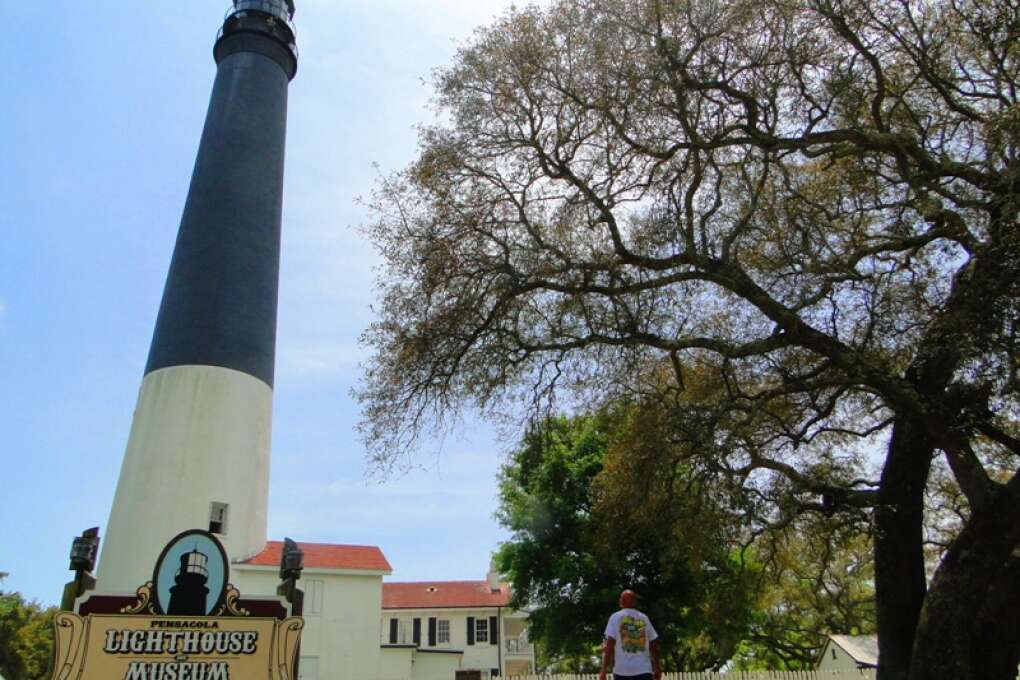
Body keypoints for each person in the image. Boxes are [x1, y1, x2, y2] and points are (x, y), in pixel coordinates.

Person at [599, 589, 662, 680]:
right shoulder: (644, 618)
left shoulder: (615, 617)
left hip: (622, 671)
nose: (620, 600)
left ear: (622, 601)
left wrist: (604, 669)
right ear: (635, 602)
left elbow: (610, 644)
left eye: (621, 598)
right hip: (643, 670)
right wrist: (657, 668)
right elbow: (654, 644)